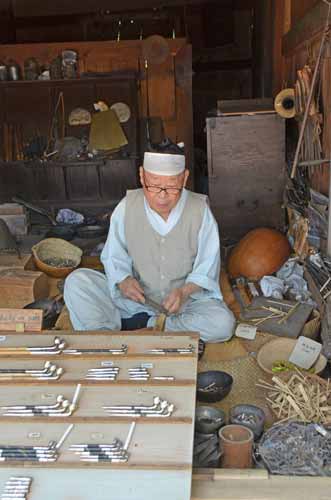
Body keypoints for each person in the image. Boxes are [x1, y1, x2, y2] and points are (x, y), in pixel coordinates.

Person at [64, 150, 235, 342]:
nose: (162, 197)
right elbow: (114, 256)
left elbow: (207, 266)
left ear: (184, 178)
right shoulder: (127, 206)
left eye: (171, 188)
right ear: (141, 175)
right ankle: (105, 334)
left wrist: (184, 292)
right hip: (134, 301)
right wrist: (123, 280)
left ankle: (148, 325)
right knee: (78, 282)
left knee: (223, 324)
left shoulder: (200, 210)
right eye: (153, 185)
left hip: (184, 305)